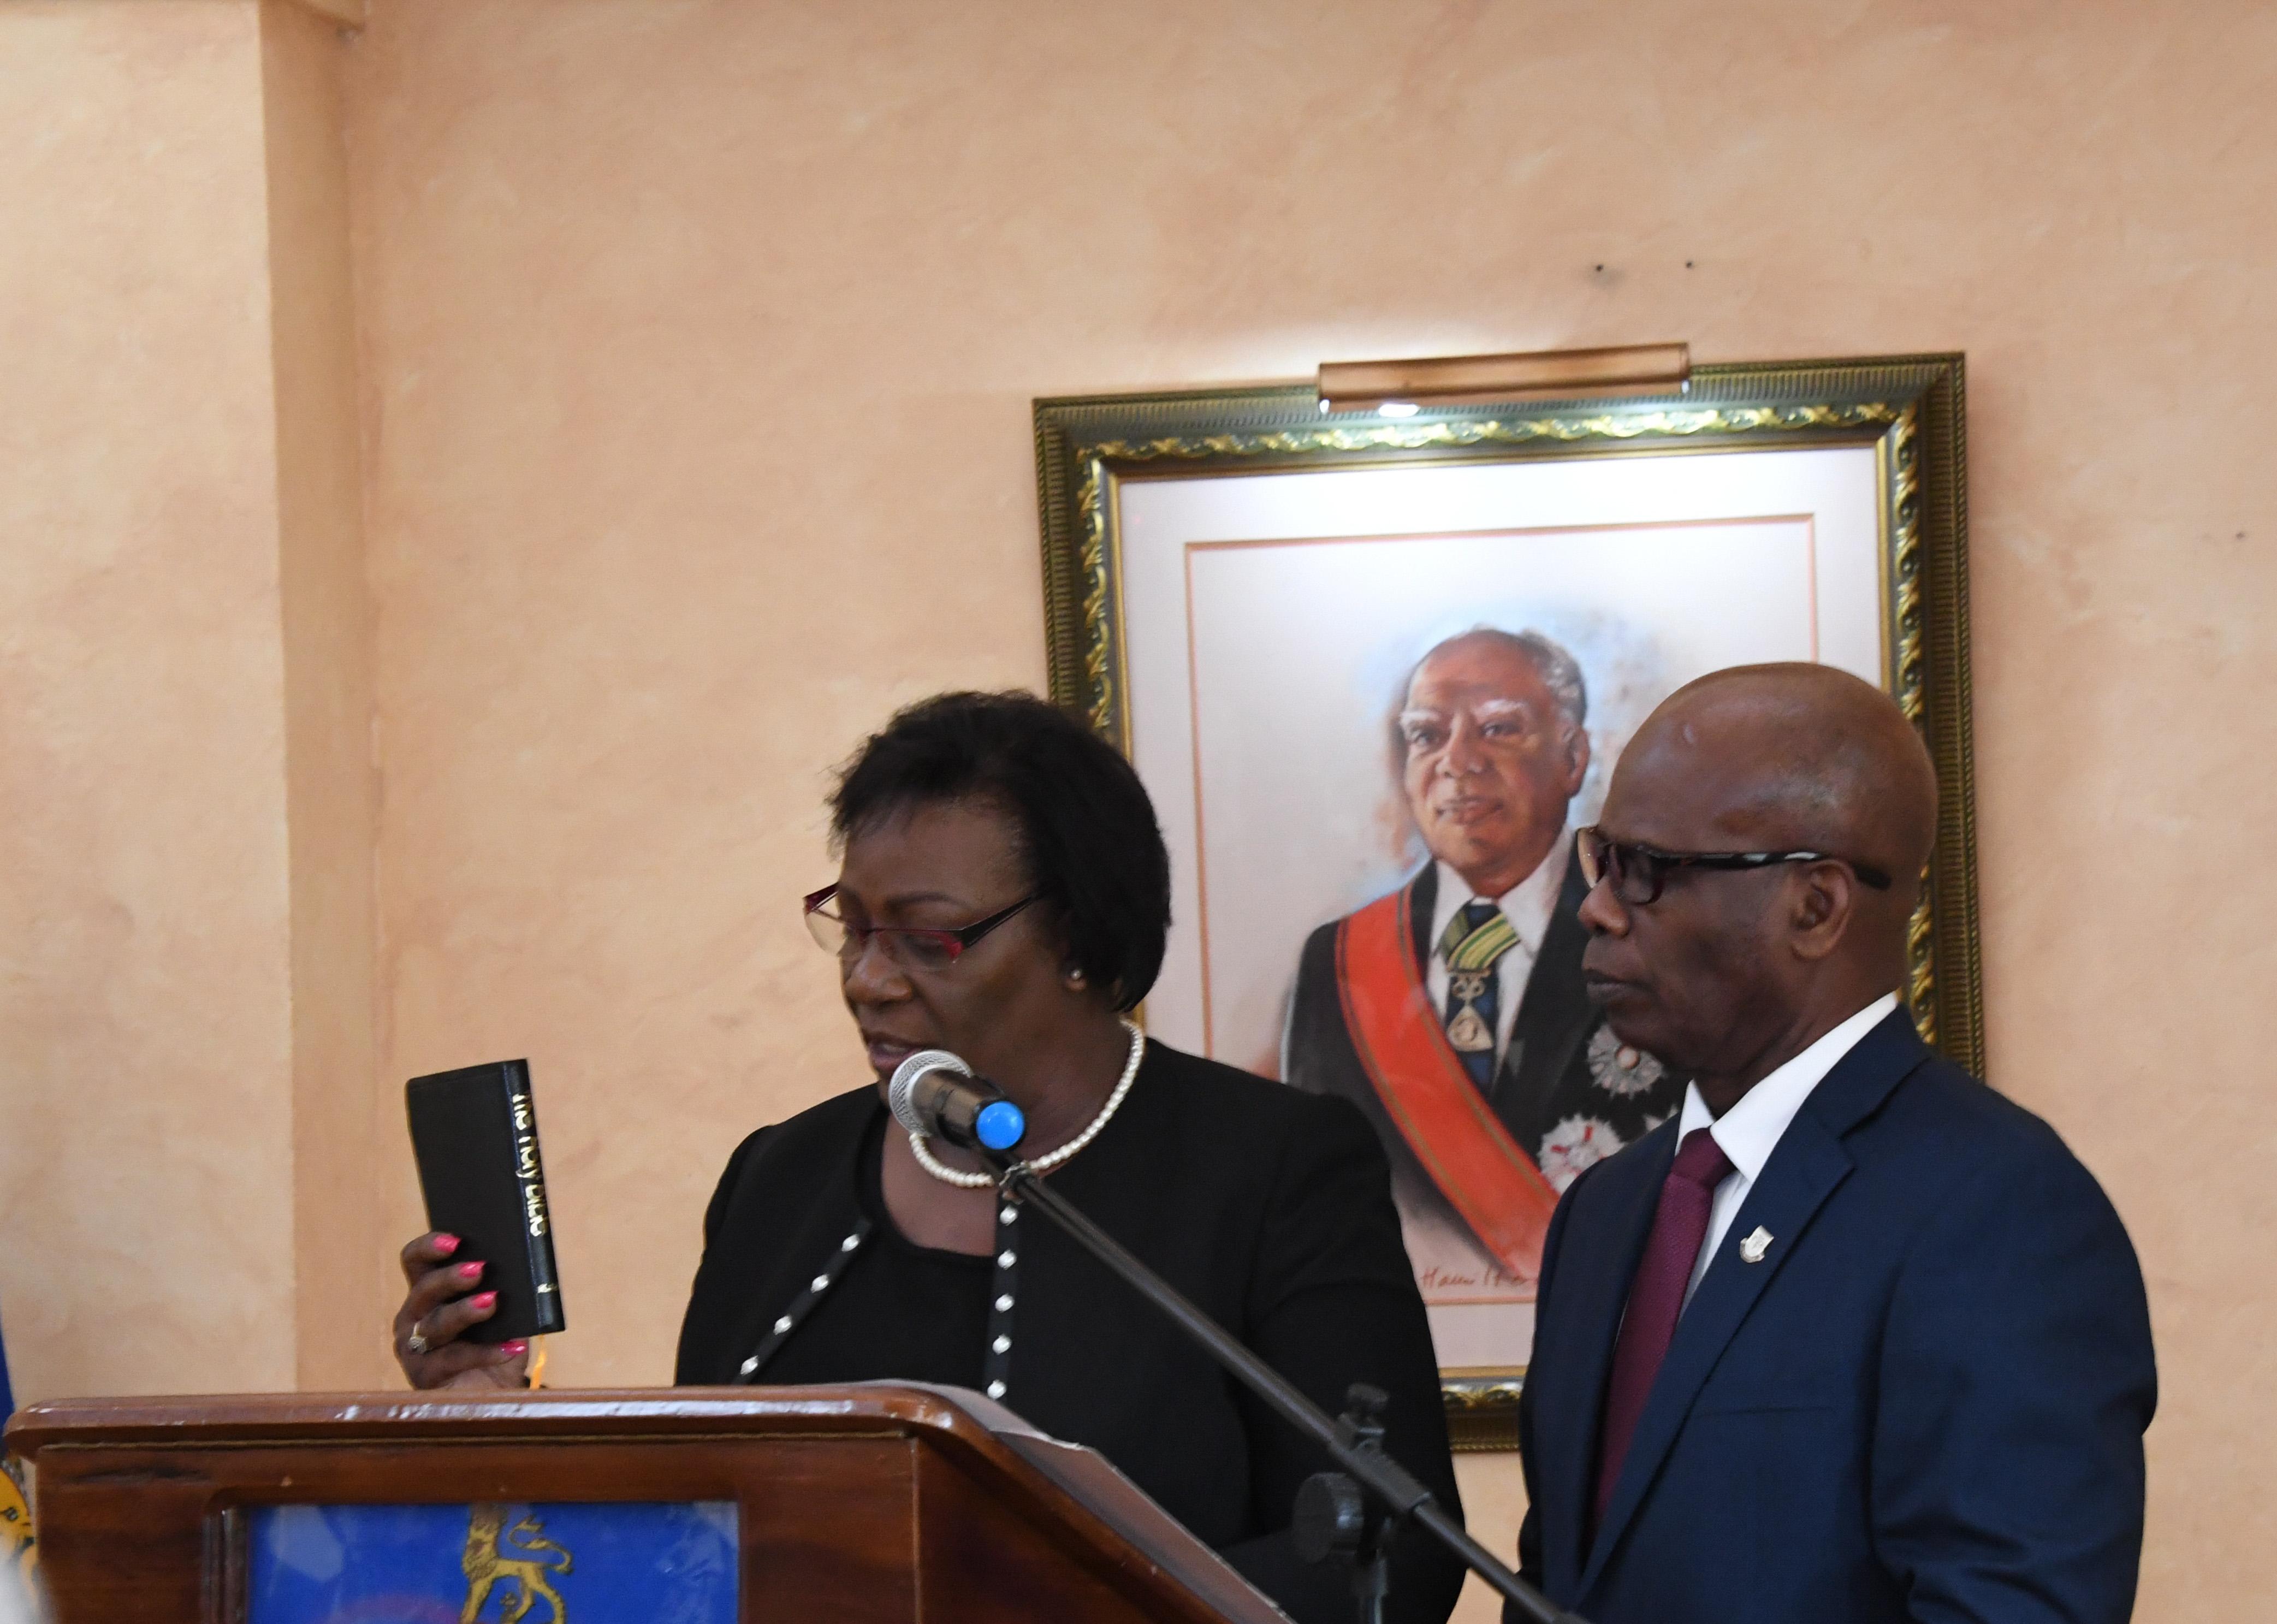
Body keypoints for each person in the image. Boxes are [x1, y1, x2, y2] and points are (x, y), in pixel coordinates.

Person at [393, 690, 1466, 1624]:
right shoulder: (779, 1178)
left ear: (1083, 940)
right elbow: (696, 1534)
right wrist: (501, 1413)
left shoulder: (1272, 1168)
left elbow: (1387, 1546)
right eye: (852, 925)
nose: (867, 977)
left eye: (926, 934)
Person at [1511, 663, 2156, 1624]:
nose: (1597, 907)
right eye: (1601, 859)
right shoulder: (1604, 1212)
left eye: (1648, 869)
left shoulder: (1999, 1210)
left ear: (1816, 906)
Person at [1285, 628, 1684, 1295]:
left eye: (1498, 728)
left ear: (1573, 757)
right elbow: (1307, 1198)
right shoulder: (1339, 960)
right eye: (1426, 735)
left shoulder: (1653, 936)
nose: (1458, 761)